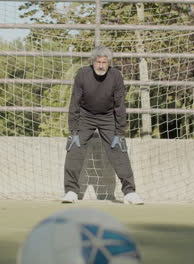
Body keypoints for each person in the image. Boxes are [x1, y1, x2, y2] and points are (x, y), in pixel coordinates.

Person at [62, 46, 144, 205]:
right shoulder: (82, 75)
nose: (101, 66)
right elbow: (74, 103)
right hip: (85, 116)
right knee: (74, 149)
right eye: (98, 62)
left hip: (108, 117)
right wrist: (74, 130)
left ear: (109, 63)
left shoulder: (116, 76)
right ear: (93, 62)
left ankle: (130, 193)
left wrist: (120, 133)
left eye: (104, 62)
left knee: (119, 150)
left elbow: (120, 105)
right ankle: (71, 191)